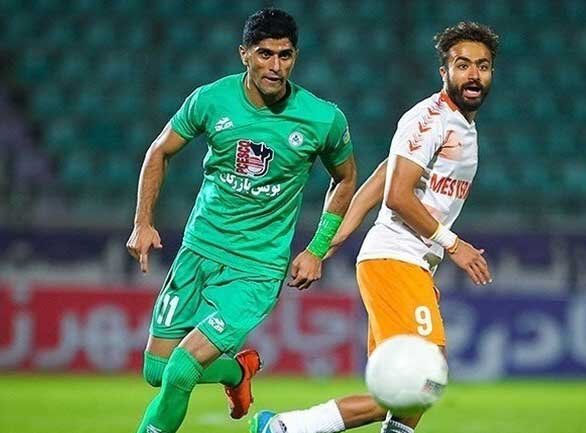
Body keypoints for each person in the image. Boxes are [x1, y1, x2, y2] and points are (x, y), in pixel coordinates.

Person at [251, 21, 499, 433]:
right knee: (425, 373)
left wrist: (330, 242)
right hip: (395, 258)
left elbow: (385, 174)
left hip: (408, 263)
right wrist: (453, 245)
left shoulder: (460, 125)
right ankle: (283, 428)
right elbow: (398, 195)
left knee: (403, 390)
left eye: (483, 66)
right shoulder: (431, 119)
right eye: (463, 65)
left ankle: (283, 428)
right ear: (444, 72)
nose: (473, 74)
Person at [126, 8, 357, 433]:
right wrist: (143, 222)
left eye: (285, 56)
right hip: (199, 250)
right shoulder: (211, 99)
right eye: (265, 54)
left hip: (256, 268)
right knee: (157, 370)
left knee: (182, 369)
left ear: (295, 57)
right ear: (244, 54)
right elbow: (159, 151)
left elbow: (345, 178)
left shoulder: (322, 118)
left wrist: (317, 248)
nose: (276, 66)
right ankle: (237, 372)